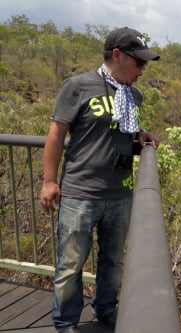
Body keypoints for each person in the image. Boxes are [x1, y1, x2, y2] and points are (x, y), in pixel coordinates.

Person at [40, 27, 160, 333]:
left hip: (119, 193)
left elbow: (122, 129)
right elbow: (56, 134)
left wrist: (140, 135)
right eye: (139, 61)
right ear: (117, 56)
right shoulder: (78, 86)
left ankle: (106, 310)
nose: (143, 68)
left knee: (112, 262)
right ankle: (66, 322)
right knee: (70, 265)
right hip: (81, 193)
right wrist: (49, 181)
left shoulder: (133, 94)